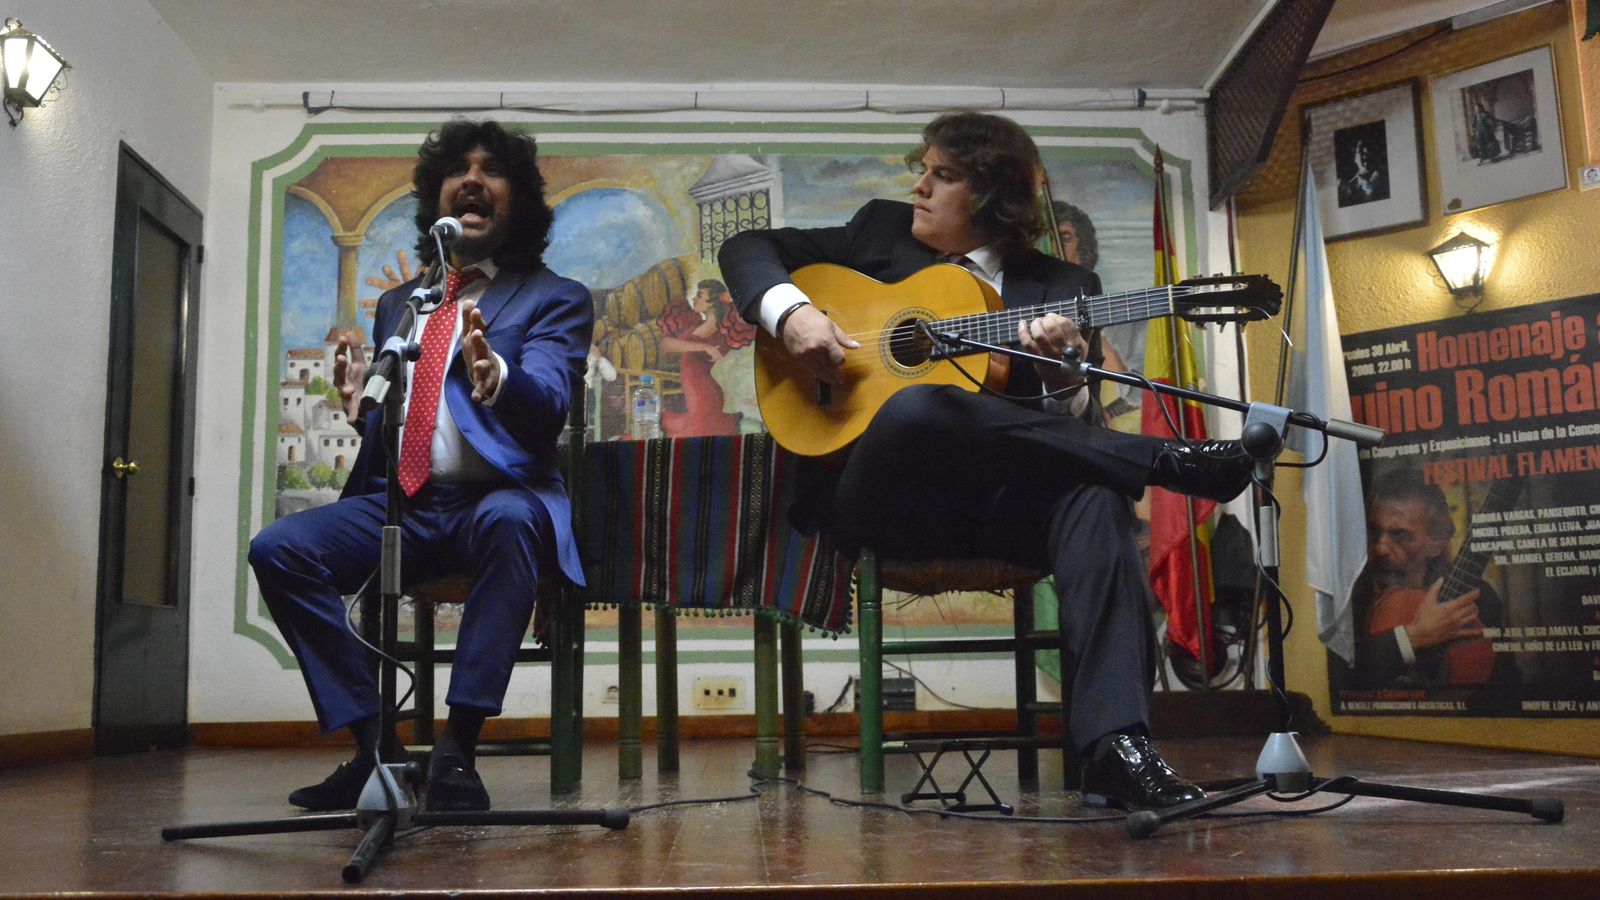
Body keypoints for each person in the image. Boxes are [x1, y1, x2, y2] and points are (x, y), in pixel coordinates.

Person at [719, 111, 1254, 811]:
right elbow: (745, 245)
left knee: (1095, 499)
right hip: (882, 499)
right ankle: (1160, 460)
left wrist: (1064, 377)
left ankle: (1117, 750)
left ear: (992, 199)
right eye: (924, 169)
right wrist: (793, 316)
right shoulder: (877, 232)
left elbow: (1064, 423)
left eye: (943, 176)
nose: (920, 186)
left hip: (1003, 511)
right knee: (917, 406)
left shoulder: (1065, 285)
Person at [249, 119, 593, 812]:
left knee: (511, 520)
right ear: (435, 201)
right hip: (402, 502)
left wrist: (497, 373)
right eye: (456, 169)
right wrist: (364, 414)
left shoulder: (554, 297)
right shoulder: (397, 306)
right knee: (278, 550)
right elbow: (412, 412)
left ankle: (456, 754)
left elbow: (549, 400)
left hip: (494, 499)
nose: (472, 179)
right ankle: (377, 752)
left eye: (492, 169)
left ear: (517, 202)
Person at [1347, 468, 1509, 690]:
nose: (1381, 548)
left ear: (1436, 543)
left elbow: (1504, 688)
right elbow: (1340, 672)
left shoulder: (1480, 598)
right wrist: (1413, 638)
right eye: (1374, 532)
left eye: (1399, 535)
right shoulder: (1349, 595)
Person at [656, 278, 756, 436]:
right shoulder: (695, 325)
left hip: (705, 392)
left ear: (712, 302)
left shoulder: (724, 331)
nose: (694, 299)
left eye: (700, 295)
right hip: (694, 391)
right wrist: (703, 347)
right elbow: (665, 344)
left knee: (699, 430)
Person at [1337, 137, 1388, 206]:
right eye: (1361, 149)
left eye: (1370, 149)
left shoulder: (1386, 181)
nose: (1366, 152)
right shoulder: (1344, 187)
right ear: (1355, 158)